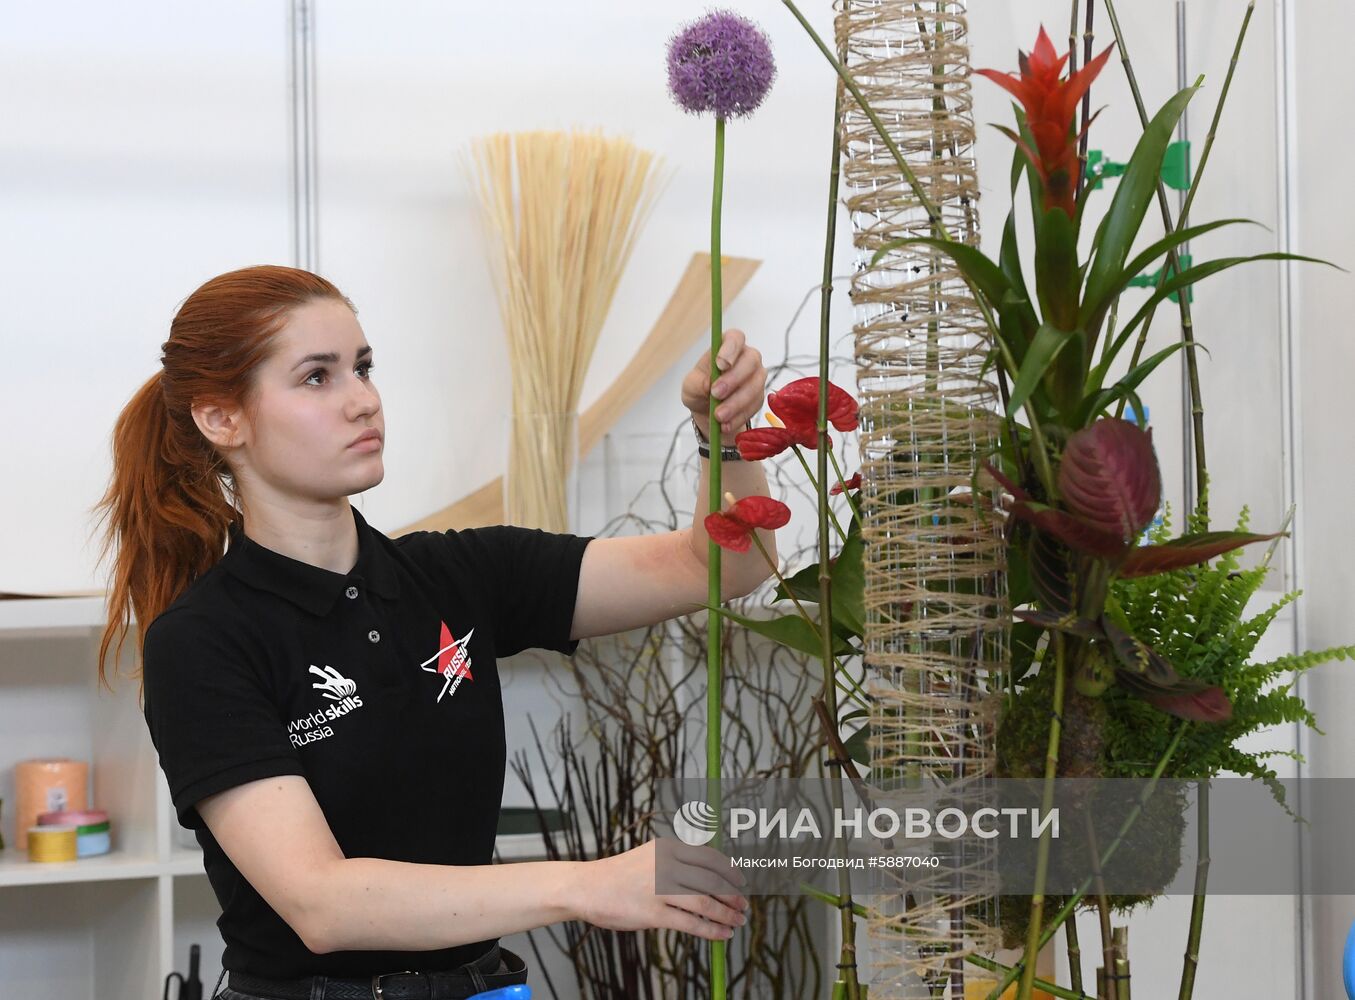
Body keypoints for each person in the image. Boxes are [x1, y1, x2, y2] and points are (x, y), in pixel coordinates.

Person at [93, 265, 778, 1000]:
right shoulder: (203, 640)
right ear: (221, 420)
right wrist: (586, 886)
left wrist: (726, 438)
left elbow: (722, 567)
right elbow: (321, 902)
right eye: (317, 378)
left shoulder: (461, 574)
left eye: (362, 368)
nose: (363, 401)